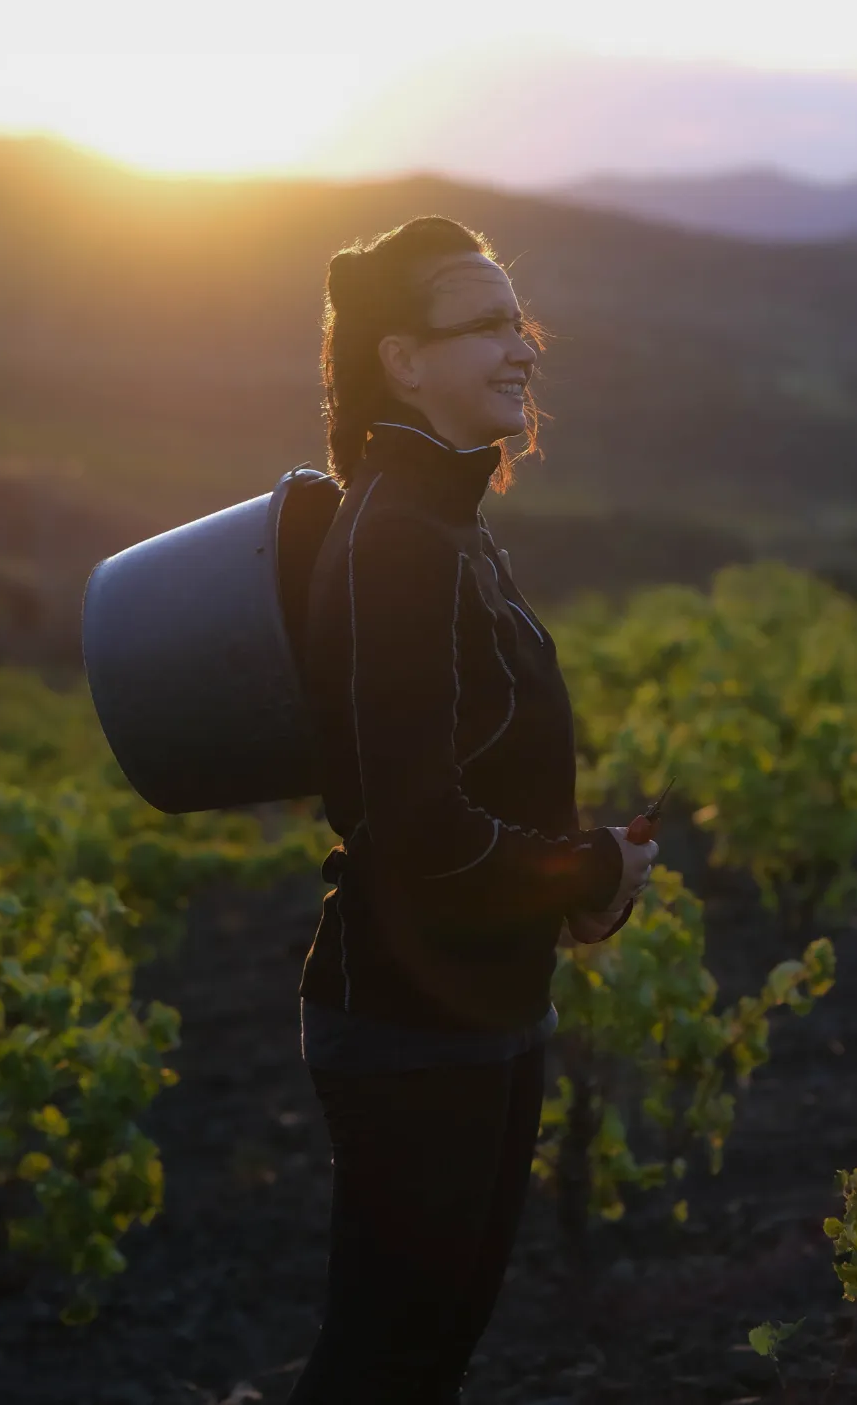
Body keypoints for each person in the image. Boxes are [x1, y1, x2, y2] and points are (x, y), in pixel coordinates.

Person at [288, 215, 658, 1404]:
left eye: (520, 322)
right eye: (488, 326)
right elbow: (416, 831)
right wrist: (586, 872)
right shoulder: (401, 535)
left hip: (476, 1004)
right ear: (403, 361)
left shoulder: (444, 519)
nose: (523, 348)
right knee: (384, 1368)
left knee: (421, 1362)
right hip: (410, 1022)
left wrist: (576, 880)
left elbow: (478, 781)